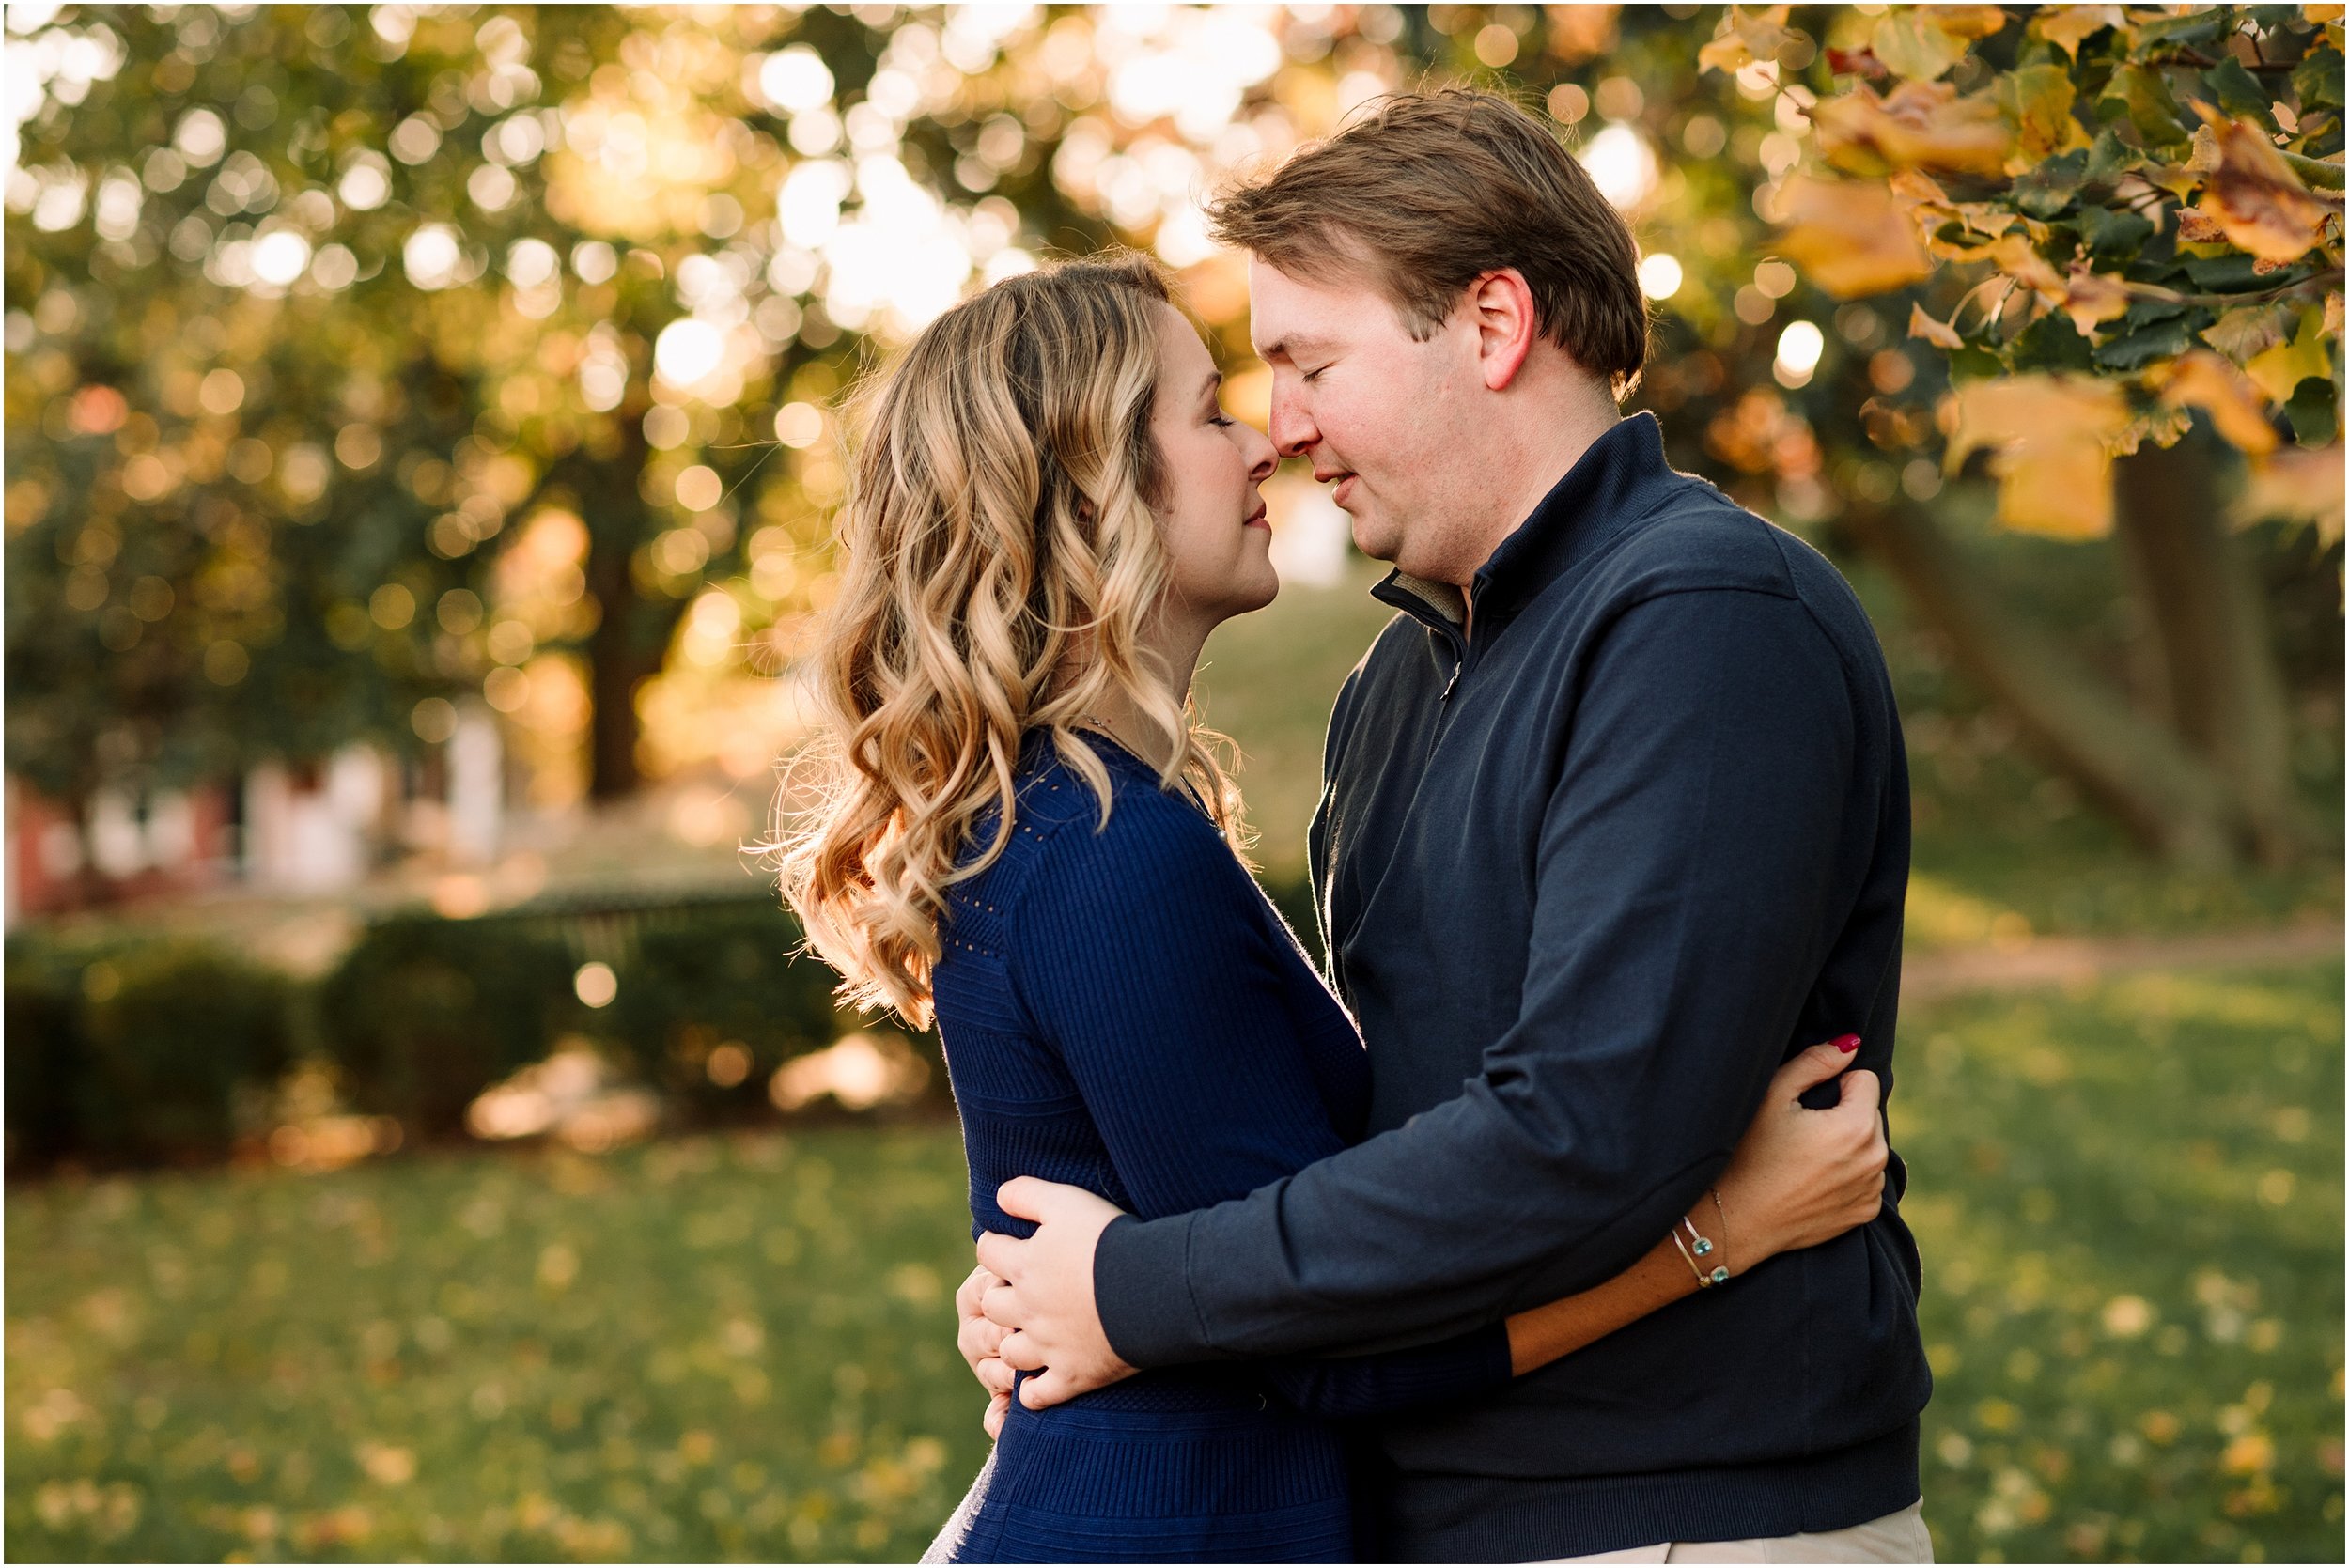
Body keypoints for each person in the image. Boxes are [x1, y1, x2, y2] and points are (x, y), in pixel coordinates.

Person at [776, 251, 1893, 1562]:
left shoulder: (1075, 826)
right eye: (1212, 411)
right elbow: (1337, 1359)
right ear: (1089, 493)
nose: (1266, 440)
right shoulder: (1106, 853)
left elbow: (1264, 1247)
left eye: (1294, 375)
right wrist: (1721, 1232)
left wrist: (1105, 1296)